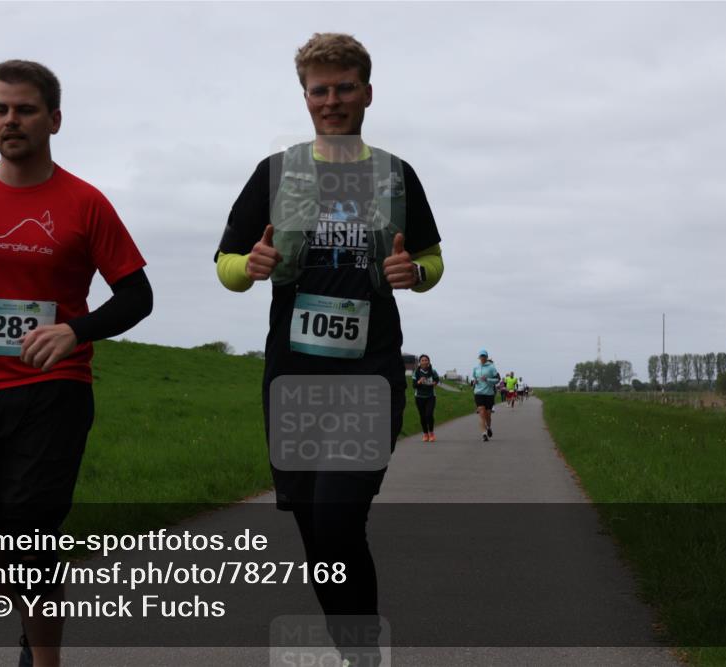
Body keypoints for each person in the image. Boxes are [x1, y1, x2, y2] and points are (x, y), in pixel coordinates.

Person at [214, 33, 443, 666]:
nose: (333, 100)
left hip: (370, 373)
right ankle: (354, 648)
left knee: (340, 519)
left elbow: (430, 257)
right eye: (321, 90)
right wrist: (250, 265)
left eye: (345, 87)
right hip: (293, 378)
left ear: (367, 92)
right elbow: (225, 261)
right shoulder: (276, 172)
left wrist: (415, 275)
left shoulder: (395, 174)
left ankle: (362, 654)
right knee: (316, 530)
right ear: (306, 96)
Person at [0, 60, 153, 667]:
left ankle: (45, 659)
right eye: (0, 109)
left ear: (54, 119)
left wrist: (76, 331)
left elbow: (137, 295)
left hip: (55, 390)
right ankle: (32, 620)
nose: (10, 120)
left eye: (24, 109)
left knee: (30, 538)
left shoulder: (85, 203)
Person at [472, 349, 500, 441]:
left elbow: (497, 379)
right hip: (478, 393)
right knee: (482, 413)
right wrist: (474, 381)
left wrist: (487, 379)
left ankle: (488, 427)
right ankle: (484, 434)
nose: (483, 358)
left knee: (488, 415)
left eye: (484, 356)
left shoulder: (492, 367)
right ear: (479, 357)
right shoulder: (475, 368)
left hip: (489, 394)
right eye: (481, 356)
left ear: (487, 357)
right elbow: (473, 379)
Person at [412, 354, 440, 442]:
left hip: (430, 396)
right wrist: (419, 381)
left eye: (426, 360)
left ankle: (431, 433)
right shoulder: (416, 372)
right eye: (422, 360)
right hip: (419, 397)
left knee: (429, 415)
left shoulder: (433, 371)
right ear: (419, 362)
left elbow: (437, 379)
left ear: (429, 362)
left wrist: (434, 383)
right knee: (422, 416)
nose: (424, 362)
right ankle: (425, 434)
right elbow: (414, 385)